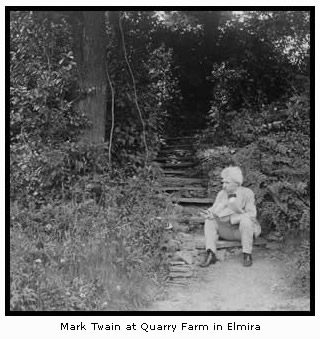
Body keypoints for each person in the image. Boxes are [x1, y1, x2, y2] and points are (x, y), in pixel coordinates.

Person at [200, 166, 261, 267]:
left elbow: (252, 214)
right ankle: (211, 254)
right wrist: (209, 213)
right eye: (223, 182)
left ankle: (247, 254)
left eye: (227, 183)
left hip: (242, 232)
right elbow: (213, 209)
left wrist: (234, 217)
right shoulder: (221, 194)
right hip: (226, 231)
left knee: (246, 220)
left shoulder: (247, 193)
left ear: (236, 183)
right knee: (209, 220)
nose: (224, 186)